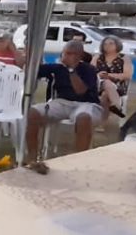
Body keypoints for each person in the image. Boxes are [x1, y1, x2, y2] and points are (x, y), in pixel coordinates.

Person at [24, 40, 103, 170]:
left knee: (83, 118)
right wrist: (29, 54)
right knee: (32, 113)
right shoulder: (57, 68)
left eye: (70, 54)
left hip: (86, 104)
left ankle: (79, 161)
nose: (65, 56)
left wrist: (71, 70)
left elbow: (80, 91)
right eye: (65, 53)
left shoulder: (89, 69)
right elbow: (32, 70)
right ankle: (32, 159)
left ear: (79, 55)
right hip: (61, 102)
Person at [91, 35, 131, 118]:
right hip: (99, 84)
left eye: (111, 44)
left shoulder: (124, 58)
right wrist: (98, 75)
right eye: (105, 44)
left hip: (118, 86)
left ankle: (102, 122)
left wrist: (109, 75)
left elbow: (127, 75)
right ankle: (117, 106)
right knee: (106, 82)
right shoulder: (97, 57)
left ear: (117, 45)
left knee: (105, 94)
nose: (107, 46)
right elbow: (89, 72)